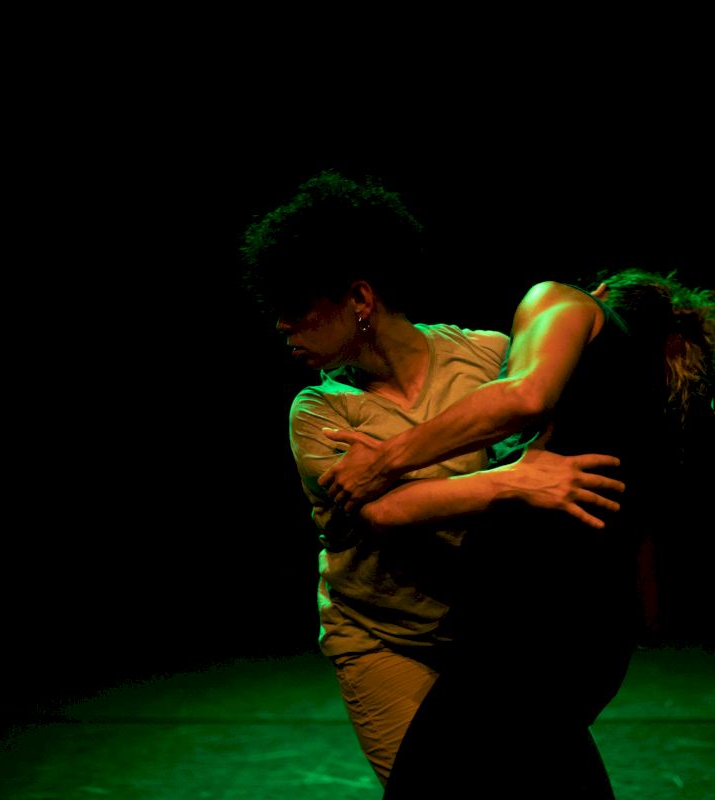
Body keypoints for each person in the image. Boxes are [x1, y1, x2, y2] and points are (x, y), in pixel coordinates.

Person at [318, 268, 715, 798]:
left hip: (531, 625)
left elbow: (524, 395)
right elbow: (643, 540)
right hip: (591, 638)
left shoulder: (567, 301)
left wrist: (384, 462)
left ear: (602, 294)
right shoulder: (647, 394)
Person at [240, 170, 624, 788]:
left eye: (296, 307)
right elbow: (379, 511)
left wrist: (594, 322)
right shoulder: (319, 411)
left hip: (493, 638)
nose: (282, 326)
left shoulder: (486, 357)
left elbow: (560, 399)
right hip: (384, 639)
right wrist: (511, 481)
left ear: (359, 298)